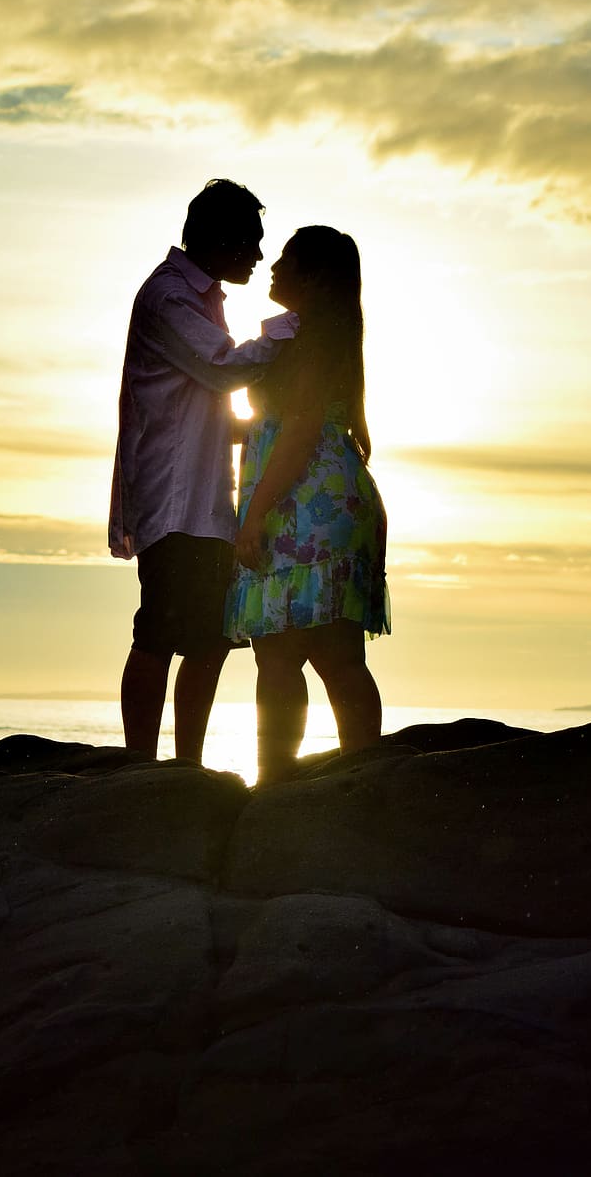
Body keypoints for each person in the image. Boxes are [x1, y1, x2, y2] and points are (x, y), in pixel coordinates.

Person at [109, 179, 297, 763]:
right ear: (220, 237)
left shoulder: (198, 297)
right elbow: (222, 368)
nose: (260, 256)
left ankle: (184, 766)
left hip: (204, 498)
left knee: (210, 639)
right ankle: (141, 764)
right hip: (173, 497)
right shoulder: (170, 297)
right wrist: (292, 327)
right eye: (252, 242)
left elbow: (208, 401)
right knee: (160, 633)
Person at [224, 225, 390, 784]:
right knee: (338, 660)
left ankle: (276, 786)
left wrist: (255, 514)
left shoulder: (309, 342)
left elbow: (295, 432)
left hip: (303, 506)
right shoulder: (326, 335)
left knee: (280, 659)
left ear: (314, 276)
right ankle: (361, 781)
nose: (274, 265)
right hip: (330, 502)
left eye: (289, 259)